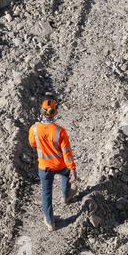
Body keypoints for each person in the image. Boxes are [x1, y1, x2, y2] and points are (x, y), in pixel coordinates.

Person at [28, 99, 77, 232]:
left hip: (44, 167)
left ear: (42, 112)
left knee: (46, 194)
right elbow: (67, 153)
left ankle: (50, 222)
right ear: (55, 113)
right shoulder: (60, 131)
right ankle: (66, 196)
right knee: (66, 174)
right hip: (60, 164)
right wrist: (72, 168)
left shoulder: (34, 129)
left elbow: (32, 144)